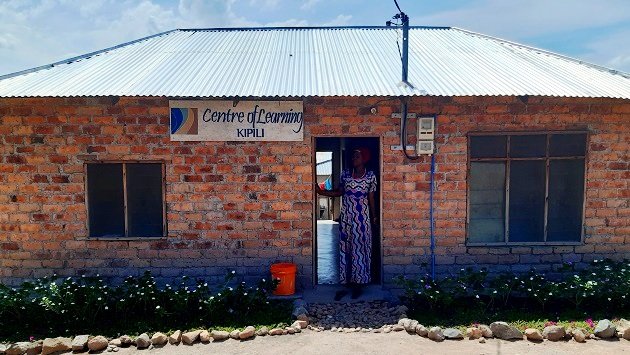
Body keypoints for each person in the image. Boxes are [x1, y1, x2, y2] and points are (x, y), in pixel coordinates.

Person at [315, 147, 377, 300]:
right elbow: (339, 192)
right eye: (353, 156)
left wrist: (374, 217)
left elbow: (371, 199)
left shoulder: (370, 176)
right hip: (347, 218)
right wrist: (321, 192)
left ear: (364, 158)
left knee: (361, 249)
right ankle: (347, 282)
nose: (353, 159)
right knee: (346, 249)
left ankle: (359, 285)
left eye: (357, 156)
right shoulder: (346, 174)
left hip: (362, 220)